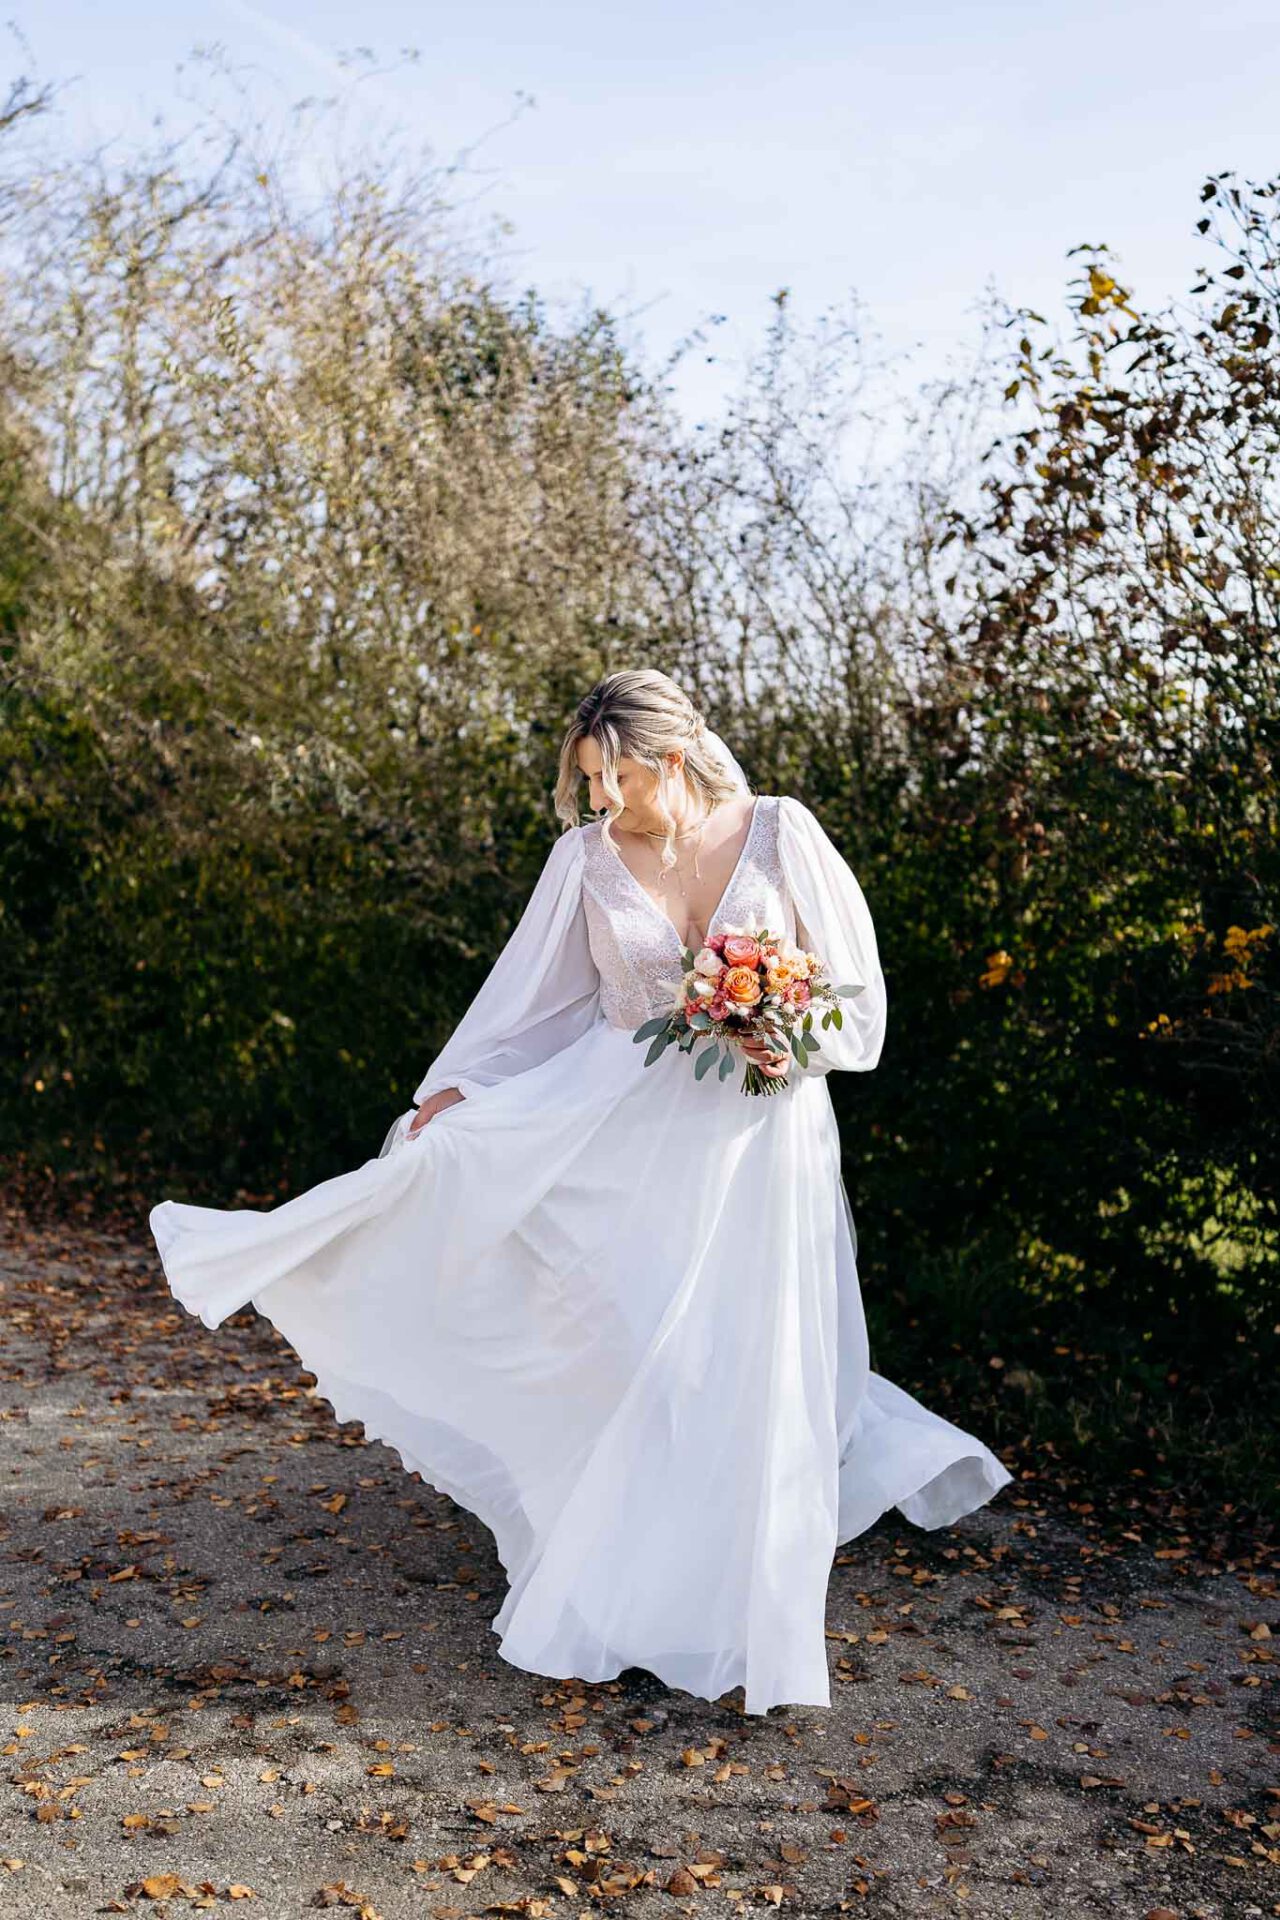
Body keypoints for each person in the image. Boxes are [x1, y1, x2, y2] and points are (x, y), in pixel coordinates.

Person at [149, 667, 1010, 1716]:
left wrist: (779, 1027)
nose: (603, 801)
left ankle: (730, 1595)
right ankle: (626, 1578)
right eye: (590, 781)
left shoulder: (781, 833)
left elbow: (858, 1007)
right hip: (611, 1132)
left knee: (736, 1355)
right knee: (629, 1339)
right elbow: (534, 1007)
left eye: (617, 778)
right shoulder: (583, 861)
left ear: (671, 755)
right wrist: (458, 1095)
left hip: (758, 1137)